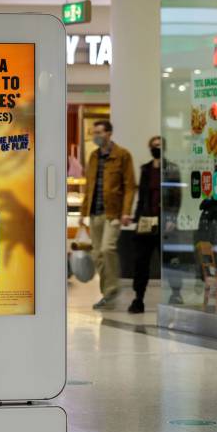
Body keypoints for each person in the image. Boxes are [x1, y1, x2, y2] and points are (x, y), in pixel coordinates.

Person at [80, 120, 136, 311]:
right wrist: (83, 212)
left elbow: (129, 186)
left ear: (109, 133)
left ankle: (112, 288)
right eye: (94, 132)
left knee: (107, 248)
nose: (96, 135)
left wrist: (126, 211)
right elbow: (89, 186)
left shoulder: (122, 155)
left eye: (99, 132)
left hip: (113, 212)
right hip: (95, 212)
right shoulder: (93, 157)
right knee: (97, 254)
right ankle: (108, 294)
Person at [130, 136, 163, 314]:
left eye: (160, 145)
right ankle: (139, 297)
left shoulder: (171, 169)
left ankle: (174, 293)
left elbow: (175, 196)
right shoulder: (146, 170)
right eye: (154, 146)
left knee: (167, 261)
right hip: (146, 221)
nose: (157, 148)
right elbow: (142, 198)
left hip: (163, 222)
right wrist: (136, 219)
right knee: (141, 262)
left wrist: (171, 219)